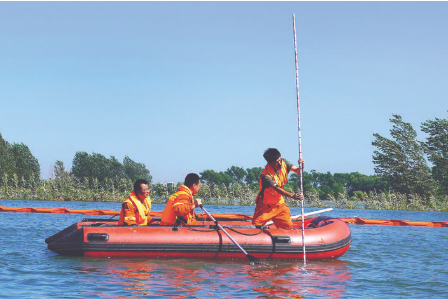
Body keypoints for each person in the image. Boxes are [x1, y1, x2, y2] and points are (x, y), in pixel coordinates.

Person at [252, 148, 305, 229]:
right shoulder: (265, 175)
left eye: (280, 160)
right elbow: (277, 189)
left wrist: (301, 165)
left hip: (279, 204)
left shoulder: (284, 162)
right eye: (276, 163)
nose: (280, 164)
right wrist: (292, 196)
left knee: (288, 227)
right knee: (256, 227)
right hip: (265, 206)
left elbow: (298, 171)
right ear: (270, 163)